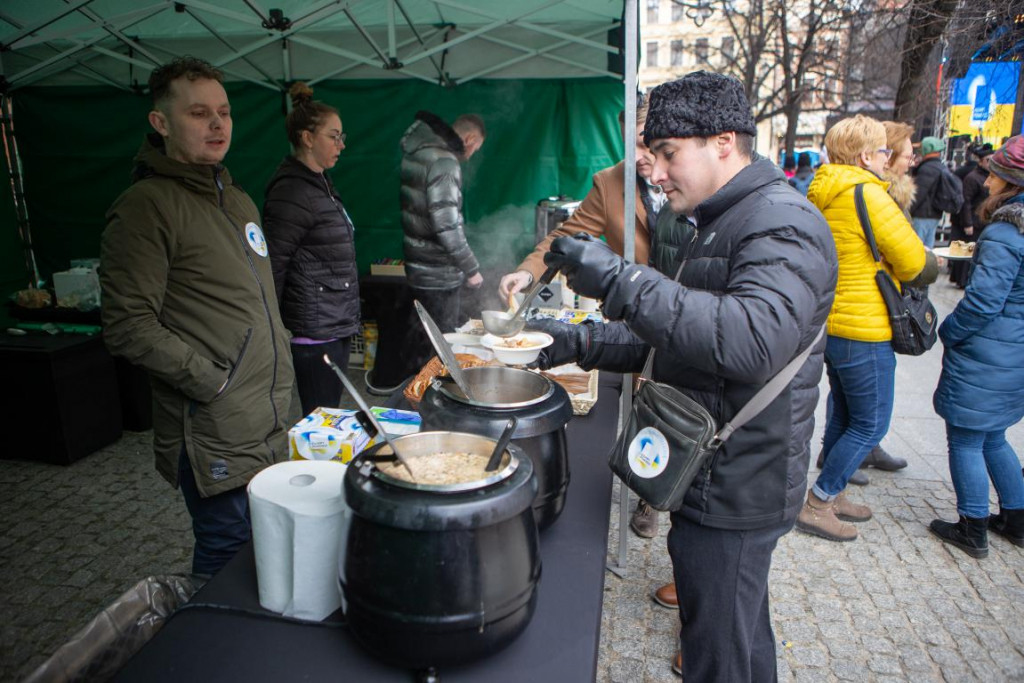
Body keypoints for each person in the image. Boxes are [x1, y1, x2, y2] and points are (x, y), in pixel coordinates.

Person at [530, 71, 837, 681]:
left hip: (739, 479)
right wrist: (579, 341)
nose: (658, 171)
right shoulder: (723, 217)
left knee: (717, 653)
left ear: (723, 141)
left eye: (669, 154)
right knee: (740, 637)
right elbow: (684, 334)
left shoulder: (781, 221)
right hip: (720, 468)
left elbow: (748, 339)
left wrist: (621, 281)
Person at [100, 57, 297, 578]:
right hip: (214, 427)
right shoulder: (145, 206)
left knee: (267, 549)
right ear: (161, 123)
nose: (217, 124)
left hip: (267, 420)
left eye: (225, 112)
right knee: (227, 556)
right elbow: (127, 325)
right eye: (199, 113)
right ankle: (212, 654)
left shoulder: (237, 200)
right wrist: (212, 382)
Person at [497, 97, 671, 540]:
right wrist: (528, 270)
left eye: (652, 143)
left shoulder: (692, 178)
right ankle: (652, 488)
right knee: (646, 402)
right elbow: (564, 235)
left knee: (683, 406)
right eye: (635, 145)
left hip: (689, 308)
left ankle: (667, 497)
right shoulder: (612, 181)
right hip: (638, 317)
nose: (644, 156)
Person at [798, 115, 933, 543]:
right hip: (864, 324)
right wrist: (936, 262)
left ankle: (831, 495)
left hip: (832, 321)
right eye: (881, 152)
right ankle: (819, 501)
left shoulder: (823, 190)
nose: (885, 158)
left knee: (844, 411)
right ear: (864, 156)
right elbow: (913, 262)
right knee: (871, 423)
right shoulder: (868, 195)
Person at [930, 136, 1024, 558]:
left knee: (967, 439)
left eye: (993, 174)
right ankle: (1017, 519)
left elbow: (984, 301)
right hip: (1013, 352)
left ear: (1010, 181)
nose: (985, 180)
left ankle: (972, 527)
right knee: (993, 437)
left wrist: (950, 330)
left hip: (987, 351)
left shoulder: (1005, 233)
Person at [262, 82, 360, 416]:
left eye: (342, 136)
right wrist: (270, 330)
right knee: (319, 418)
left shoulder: (319, 183)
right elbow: (273, 263)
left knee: (328, 414)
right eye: (334, 136)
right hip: (315, 329)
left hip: (334, 321)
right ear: (307, 138)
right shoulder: (291, 192)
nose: (341, 145)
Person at [400, 111, 486, 370]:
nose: (470, 155)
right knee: (440, 351)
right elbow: (446, 225)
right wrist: (472, 269)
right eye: (476, 148)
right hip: (440, 275)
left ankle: (416, 399)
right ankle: (433, 404)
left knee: (422, 343)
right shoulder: (444, 161)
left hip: (418, 269)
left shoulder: (416, 152)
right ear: (469, 139)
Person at [949, 145, 994, 288]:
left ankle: (965, 280)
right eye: (988, 160)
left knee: (973, 253)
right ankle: (961, 280)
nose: (990, 163)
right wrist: (968, 223)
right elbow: (966, 201)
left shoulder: (986, 177)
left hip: (982, 221)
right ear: (980, 161)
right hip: (973, 222)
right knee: (967, 253)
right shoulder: (973, 177)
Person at [909, 136, 963, 248]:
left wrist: (907, 212)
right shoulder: (940, 167)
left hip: (922, 215)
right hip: (934, 214)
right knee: (928, 246)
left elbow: (918, 195)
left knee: (917, 247)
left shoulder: (927, 168)